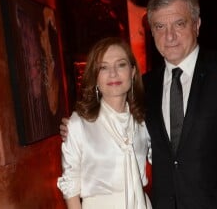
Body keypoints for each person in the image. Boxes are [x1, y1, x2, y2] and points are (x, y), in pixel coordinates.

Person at [61, 0, 217, 209]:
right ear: (151, 32)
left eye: (179, 24)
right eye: (160, 26)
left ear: (197, 24)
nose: (169, 36)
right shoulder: (146, 86)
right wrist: (78, 128)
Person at [57, 37, 152, 209]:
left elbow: (163, 157)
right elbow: (70, 186)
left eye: (121, 64)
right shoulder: (79, 124)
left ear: (132, 71)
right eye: (103, 67)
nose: (113, 73)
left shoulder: (144, 122)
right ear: (95, 76)